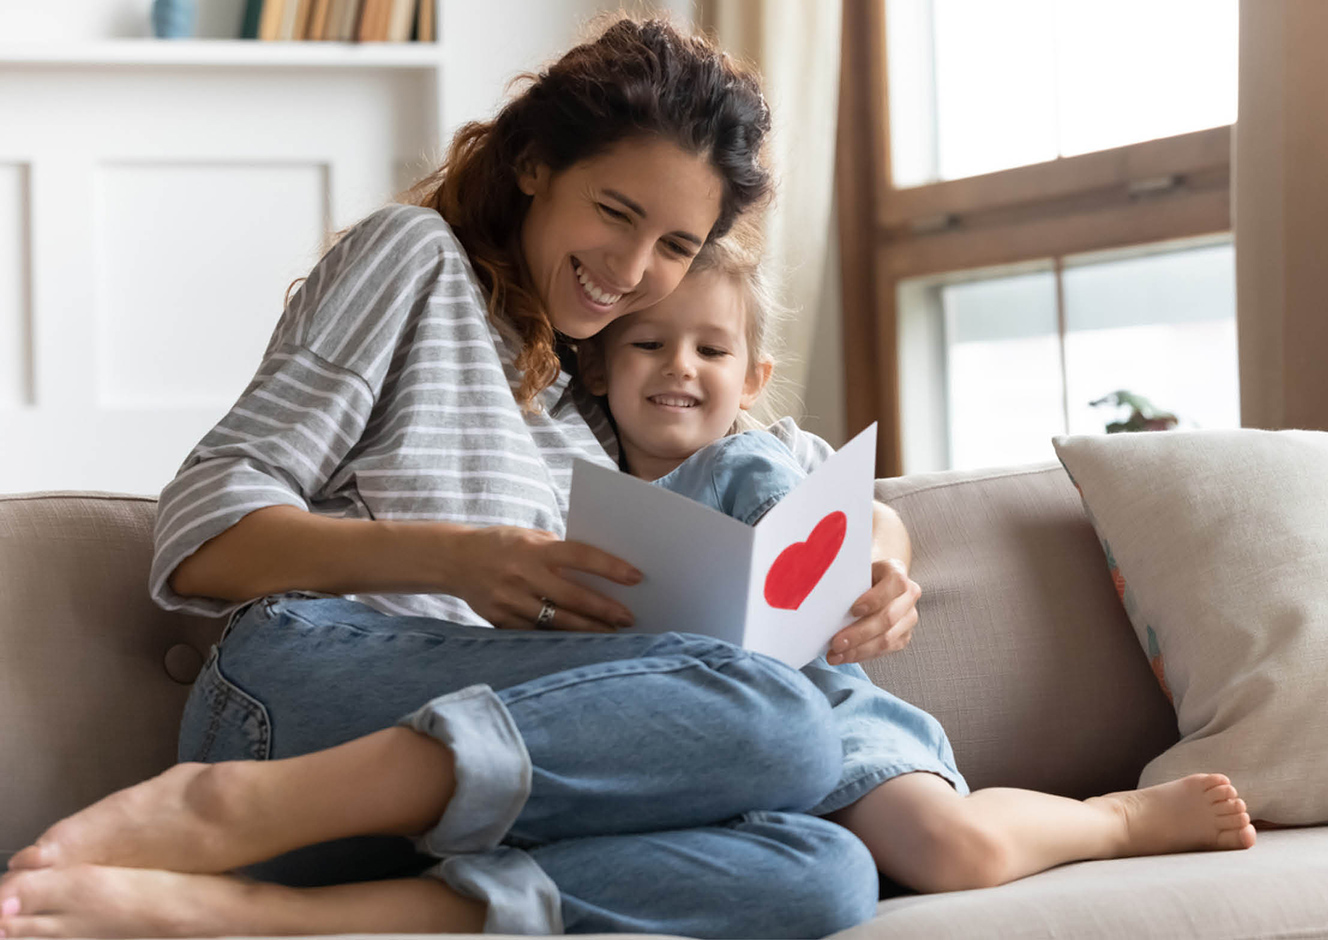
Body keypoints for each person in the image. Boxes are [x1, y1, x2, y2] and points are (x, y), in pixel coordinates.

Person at [0, 18, 892, 940]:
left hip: (466, 796)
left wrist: (880, 558)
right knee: (780, 720)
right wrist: (463, 559)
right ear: (535, 163)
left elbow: (788, 465)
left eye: (675, 244)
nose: (632, 272)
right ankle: (221, 807)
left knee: (824, 869)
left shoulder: (601, 388)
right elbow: (201, 532)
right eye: (617, 213)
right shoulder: (415, 260)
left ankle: (262, 913)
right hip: (305, 695)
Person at [577, 235, 1260, 896]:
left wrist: (881, 564)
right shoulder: (570, 485)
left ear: (754, 379)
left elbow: (879, 518)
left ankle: (1115, 819)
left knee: (954, 850)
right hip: (685, 744)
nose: (680, 366)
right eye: (649, 344)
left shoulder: (771, 454)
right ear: (600, 366)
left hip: (822, 709)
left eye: (711, 349)